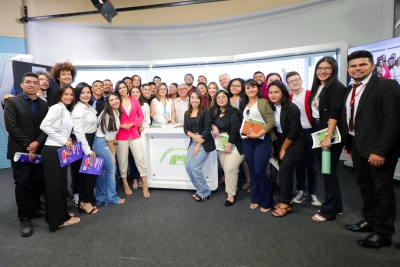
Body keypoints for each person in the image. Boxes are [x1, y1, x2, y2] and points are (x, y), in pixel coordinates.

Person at [343, 50, 400, 248]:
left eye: (362, 65)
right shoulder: (351, 89)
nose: (357, 68)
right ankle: (370, 220)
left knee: (382, 190)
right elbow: (353, 118)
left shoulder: (387, 86)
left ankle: (383, 233)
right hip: (359, 146)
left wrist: (381, 151)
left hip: (379, 150)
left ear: (372, 66)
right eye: (353, 66)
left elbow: (392, 121)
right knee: (365, 187)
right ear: (348, 69)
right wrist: (349, 145)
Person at [4, 72, 49, 237]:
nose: (32, 85)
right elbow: (11, 127)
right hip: (20, 150)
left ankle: (36, 207)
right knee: (22, 184)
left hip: (38, 149)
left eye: (35, 82)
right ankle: (24, 216)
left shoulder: (44, 105)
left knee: (36, 180)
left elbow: (46, 127)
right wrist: (28, 145)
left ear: (39, 85)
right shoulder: (13, 102)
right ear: (21, 85)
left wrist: (37, 143)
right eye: (28, 82)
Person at [308, 56, 345, 222]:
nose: (323, 71)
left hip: (328, 132)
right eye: (320, 68)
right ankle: (336, 206)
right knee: (327, 170)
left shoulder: (336, 87)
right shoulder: (317, 87)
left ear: (334, 70)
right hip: (318, 130)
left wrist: (328, 136)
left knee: (328, 171)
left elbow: (334, 112)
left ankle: (328, 211)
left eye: (327, 68)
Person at [40, 84, 80, 232]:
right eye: (66, 94)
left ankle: (57, 215)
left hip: (59, 150)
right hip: (53, 151)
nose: (69, 97)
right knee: (55, 188)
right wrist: (64, 140)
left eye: (71, 95)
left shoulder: (65, 110)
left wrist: (66, 138)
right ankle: (58, 221)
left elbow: (58, 128)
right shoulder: (57, 108)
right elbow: (45, 126)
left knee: (59, 186)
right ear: (60, 95)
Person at [268, 80, 306, 217]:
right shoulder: (270, 107)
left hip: (294, 142)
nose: (273, 95)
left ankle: (285, 205)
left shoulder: (291, 108)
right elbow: (273, 128)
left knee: (284, 171)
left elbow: (294, 132)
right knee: (285, 172)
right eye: (271, 92)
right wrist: (274, 145)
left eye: (276, 92)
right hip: (280, 140)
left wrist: (283, 149)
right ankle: (286, 199)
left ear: (283, 93)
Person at [239, 79, 276, 212]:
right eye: (248, 88)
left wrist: (258, 133)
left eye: (253, 87)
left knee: (261, 171)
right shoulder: (244, 103)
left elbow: (271, 121)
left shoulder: (263, 102)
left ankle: (268, 201)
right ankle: (256, 199)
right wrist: (241, 133)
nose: (250, 90)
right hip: (248, 141)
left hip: (262, 140)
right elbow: (245, 121)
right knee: (253, 170)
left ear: (258, 88)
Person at [286, 71, 320, 206]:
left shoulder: (311, 95)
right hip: (296, 134)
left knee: (312, 165)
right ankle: (301, 190)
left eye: (297, 80)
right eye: (291, 81)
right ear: (288, 84)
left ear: (301, 80)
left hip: (311, 132)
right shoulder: (287, 98)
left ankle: (313, 192)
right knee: (299, 164)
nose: (295, 82)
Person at [115, 81, 150, 198]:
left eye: (124, 87)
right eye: (120, 88)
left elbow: (141, 116)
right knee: (123, 160)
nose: (123, 90)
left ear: (127, 88)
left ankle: (145, 184)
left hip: (134, 133)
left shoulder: (134, 101)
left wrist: (133, 124)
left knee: (140, 158)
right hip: (121, 135)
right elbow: (112, 117)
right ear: (118, 90)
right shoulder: (116, 101)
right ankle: (125, 183)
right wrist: (120, 125)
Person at [211, 89, 244, 206]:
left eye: (223, 97)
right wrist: (213, 126)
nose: (221, 99)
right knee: (226, 169)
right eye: (218, 97)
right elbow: (207, 121)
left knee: (230, 168)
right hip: (220, 143)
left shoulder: (233, 112)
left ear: (227, 99)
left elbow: (235, 129)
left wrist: (230, 145)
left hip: (234, 143)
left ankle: (231, 194)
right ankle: (232, 187)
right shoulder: (213, 111)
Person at [93, 92, 125, 206]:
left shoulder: (114, 112)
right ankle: (112, 198)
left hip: (99, 142)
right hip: (102, 143)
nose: (115, 101)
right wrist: (113, 154)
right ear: (108, 103)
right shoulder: (109, 115)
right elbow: (109, 139)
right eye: (112, 100)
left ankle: (101, 198)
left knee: (101, 171)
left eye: (117, 99)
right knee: (111, 169)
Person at [70, 82, 98, 214]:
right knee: (84, 173)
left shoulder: (90, 107)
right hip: (82, 142)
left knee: (91, 172)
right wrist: (87, 149)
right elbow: (78, 132)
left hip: (91, 139)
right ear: (78, 94)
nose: (86, 95)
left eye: (88, 92)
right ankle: (83, 202)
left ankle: (87, 198)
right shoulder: (77, 109)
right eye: (83, 93)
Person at [184, 89, 215, 202]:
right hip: (193, 140)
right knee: (188, 167)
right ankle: (200, 189)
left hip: (204, 141)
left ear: (200, 99)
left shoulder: (205, 111)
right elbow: (186, 129)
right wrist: (193, 137)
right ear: (190, 99)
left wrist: (198, 144)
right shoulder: (187, 113)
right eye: (192, 98)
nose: (195, 100)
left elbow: (207, 128)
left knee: (195, 167)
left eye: (197, 98)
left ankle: (205, 192)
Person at [226, 78, 251, 189]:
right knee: (231, 156)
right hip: (229, 132)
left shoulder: (245, 99)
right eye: (232, 85)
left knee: (244, 157)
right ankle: (232, 180)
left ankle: (249, 179)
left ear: (242, 87)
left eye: (237, 86)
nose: (234, 87)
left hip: (242, 132)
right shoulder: (227, 99)